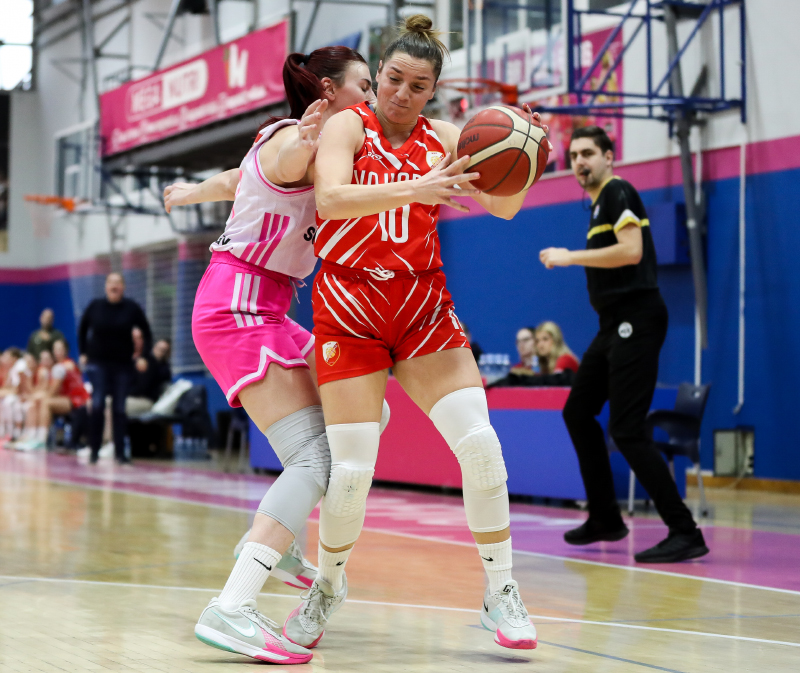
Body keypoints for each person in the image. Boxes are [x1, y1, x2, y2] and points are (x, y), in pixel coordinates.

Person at [283, 15, 550, 652]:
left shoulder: (451, 138)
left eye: (418, 85)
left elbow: (505, 206)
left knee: (481, 447)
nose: (402, 93)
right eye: (394, 79)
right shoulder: (349, 126)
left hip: (421, 305)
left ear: (434, 91)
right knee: (352, 473)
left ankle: (501, 591)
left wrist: (528, 153)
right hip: (349, 306)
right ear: (377, 74)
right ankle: (328, 585)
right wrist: (419, 187)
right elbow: (331, 200)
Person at [164, 46, 384, 664]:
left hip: (269, 308)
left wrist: (188, 193)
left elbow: (236, 180)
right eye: (365, 86)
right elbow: (286, 161)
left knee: (367, 416)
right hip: (237, 308)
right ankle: (231, 606)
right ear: (329, 93)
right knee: (316, 457)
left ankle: (278, 544)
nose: (371, 98)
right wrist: (308, 141)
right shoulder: (297, 141)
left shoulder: (319, 144)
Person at [539, 125, 708, 563]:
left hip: (638, 317)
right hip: (612, 324)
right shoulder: (599, 204)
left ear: (609, 157)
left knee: (627, 429)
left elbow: (631, 251)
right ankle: (605, 517)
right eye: (574, 155)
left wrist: (570, 257)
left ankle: (685, 531)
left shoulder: (619, 191)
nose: (579, 162)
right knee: (578, 412)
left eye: (588, 153)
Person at [78, 272, 152, 464]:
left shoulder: (131, 308)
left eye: (118, 282)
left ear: (123, 287)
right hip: (98, 363)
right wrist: (83, 352)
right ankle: (94, 450)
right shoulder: (95, 306)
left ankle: (120, 453)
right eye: (111, 282)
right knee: (98, 405)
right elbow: (83, 328)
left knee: (119, 407)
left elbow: (147, 332)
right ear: (105, 286)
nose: (114, 286)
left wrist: (143, 356)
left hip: (122, 364)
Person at [126, 332, 172, 418]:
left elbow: (143, 388)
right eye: (158, 348)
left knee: (117, 405)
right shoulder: (144, 361)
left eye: (163, 350)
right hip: (133, 397)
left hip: (146, 400)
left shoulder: (163, 369)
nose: (159, 352)